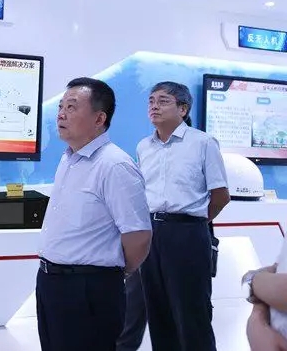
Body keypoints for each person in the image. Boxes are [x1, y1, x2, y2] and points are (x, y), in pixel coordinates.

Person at [37, 77, 152, 351]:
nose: (61, 114)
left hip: (89, 288)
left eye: (72, 107)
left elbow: (138, 236)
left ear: (99, 118)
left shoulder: (114, 165)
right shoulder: (68, 158)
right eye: (61, 106)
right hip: (51, 282)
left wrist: (110, 274)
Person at [137, 81, 230, 351]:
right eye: (151, 101)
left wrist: (195, 223)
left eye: (163, 101)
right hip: (151, 233)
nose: (154, 106)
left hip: (187, 232)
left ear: (183, 108)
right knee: (158, 311)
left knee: (191, 312)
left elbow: (220, 195)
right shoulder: (144, 146)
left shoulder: (203, 143)